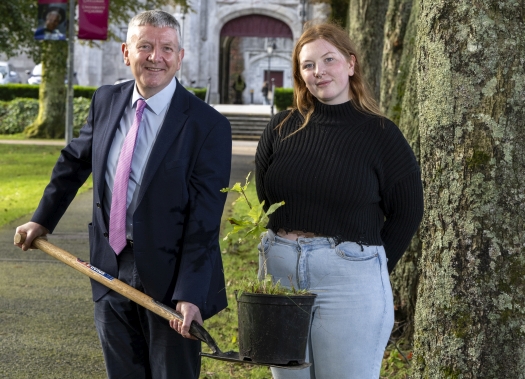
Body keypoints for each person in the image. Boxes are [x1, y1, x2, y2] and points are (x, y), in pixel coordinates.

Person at [15, 10, 231, 379]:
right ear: (126, 52)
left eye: (166, 48)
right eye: (144, 45)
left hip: (171, 282)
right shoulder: (106, 100)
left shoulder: (208, 126)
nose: (155, 57)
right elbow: (73, 162)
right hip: (108, 267)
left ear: (180, 57)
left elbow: (204, 221)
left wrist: (191, 293)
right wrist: (42, 218)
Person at [255, 22, 423, 379]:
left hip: (349, 280)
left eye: (328, 60)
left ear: (350, 63)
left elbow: (408, 211)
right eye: (308, 65)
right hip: (281, 275)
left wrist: (368, 268)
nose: (319, 72)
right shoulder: (280, 128)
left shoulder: (381, 134)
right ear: (300, 74)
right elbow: (266, 199)